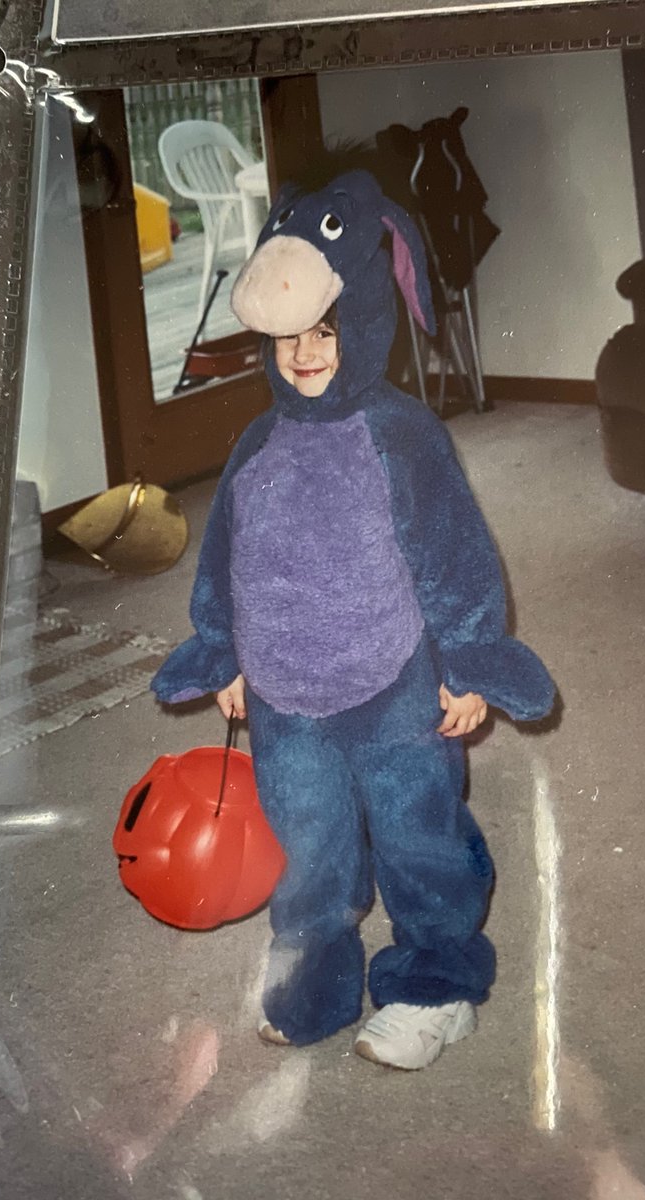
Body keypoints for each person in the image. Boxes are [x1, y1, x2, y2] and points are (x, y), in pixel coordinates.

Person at [152, 169, 555, 1070]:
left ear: (365, 323)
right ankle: (317, 978)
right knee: (308, 851)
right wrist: (224, 650)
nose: (304, 352)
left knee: (419, 837)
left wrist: (470, 662)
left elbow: (453, 551)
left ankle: (437, 982)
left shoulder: (403, 432)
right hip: (286, 700)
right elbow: (227, 555)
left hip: (396, 685)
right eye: (289, 336)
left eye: (325, 331)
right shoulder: (256, 443)